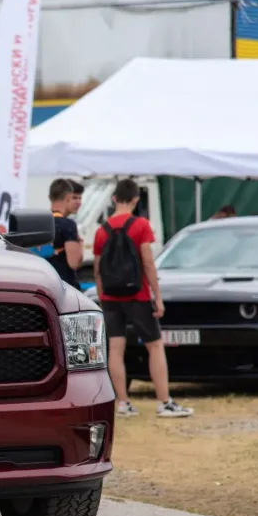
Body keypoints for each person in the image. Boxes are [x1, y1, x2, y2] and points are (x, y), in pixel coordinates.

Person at [92, 178, 193, 418]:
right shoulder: (141, 226)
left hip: (110, 298)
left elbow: (97, 270)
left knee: (115, 348)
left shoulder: (100, 231)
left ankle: (123, 403)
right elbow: (148, 263)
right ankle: (164, 401)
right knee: (155, 345)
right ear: (136, 200)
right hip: (137, 295)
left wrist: (102, 297)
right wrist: (156, 296)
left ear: (114, 199)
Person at [44, 178, 84, 290]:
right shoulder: (68, 225)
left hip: (44, 283)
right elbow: (74, 263)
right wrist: (80, 245)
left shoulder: (39, 221)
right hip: (64, 285)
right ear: (68, 197)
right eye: (74, 198)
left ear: (49, 197)